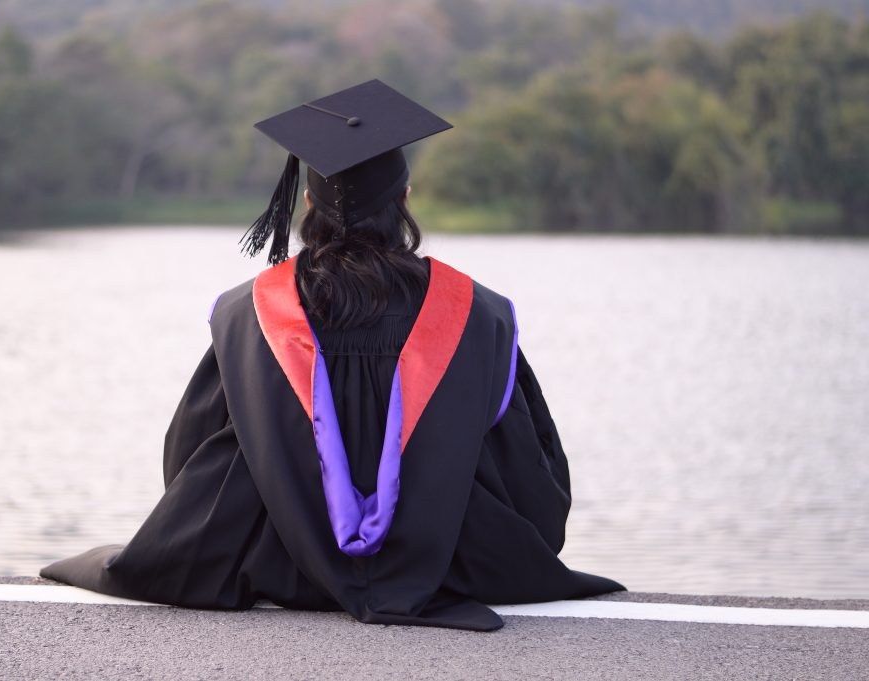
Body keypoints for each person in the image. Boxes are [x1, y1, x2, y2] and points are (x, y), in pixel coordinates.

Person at [41, 79, 624, 631]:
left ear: (305, 209)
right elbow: (530, 472)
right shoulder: (476, 314)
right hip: (453, 561)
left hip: (275, 561)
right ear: (405, 199)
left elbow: (187, 460)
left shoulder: (250, 314)